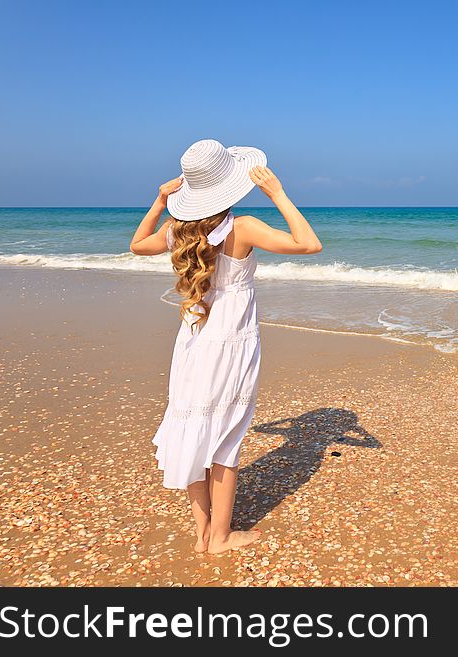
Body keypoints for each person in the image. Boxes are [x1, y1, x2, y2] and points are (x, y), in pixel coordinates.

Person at [129, 139, 322, 554]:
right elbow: (309, 244)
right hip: (232, 341)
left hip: (195, 339)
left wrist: (160, 200)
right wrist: (278, 193)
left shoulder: (178, 230)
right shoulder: (244, 227)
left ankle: (202, 534)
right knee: (226, 438)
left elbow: (137, 244)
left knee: (194, 430)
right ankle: (219, 537)